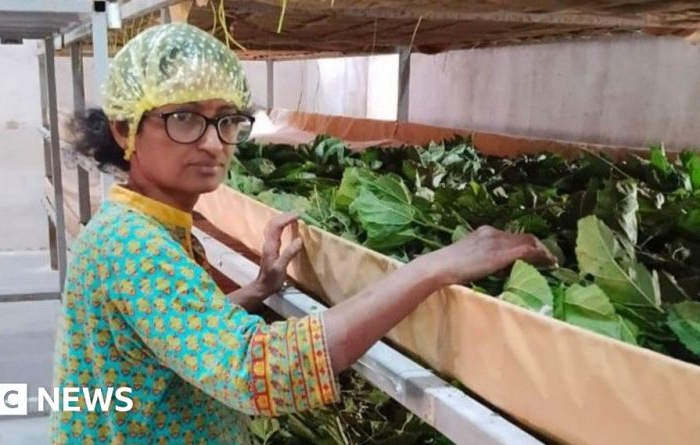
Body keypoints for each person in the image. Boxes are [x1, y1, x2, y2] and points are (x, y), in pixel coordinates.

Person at [49, 23, 555, 445]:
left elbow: (174, 335)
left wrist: (256, 290)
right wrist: (432, 268)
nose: (211, 143)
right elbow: (257, 372)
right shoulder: (133, 246)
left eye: (226, 120)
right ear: (123, 129)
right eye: (184, 118)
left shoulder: (145, 223)